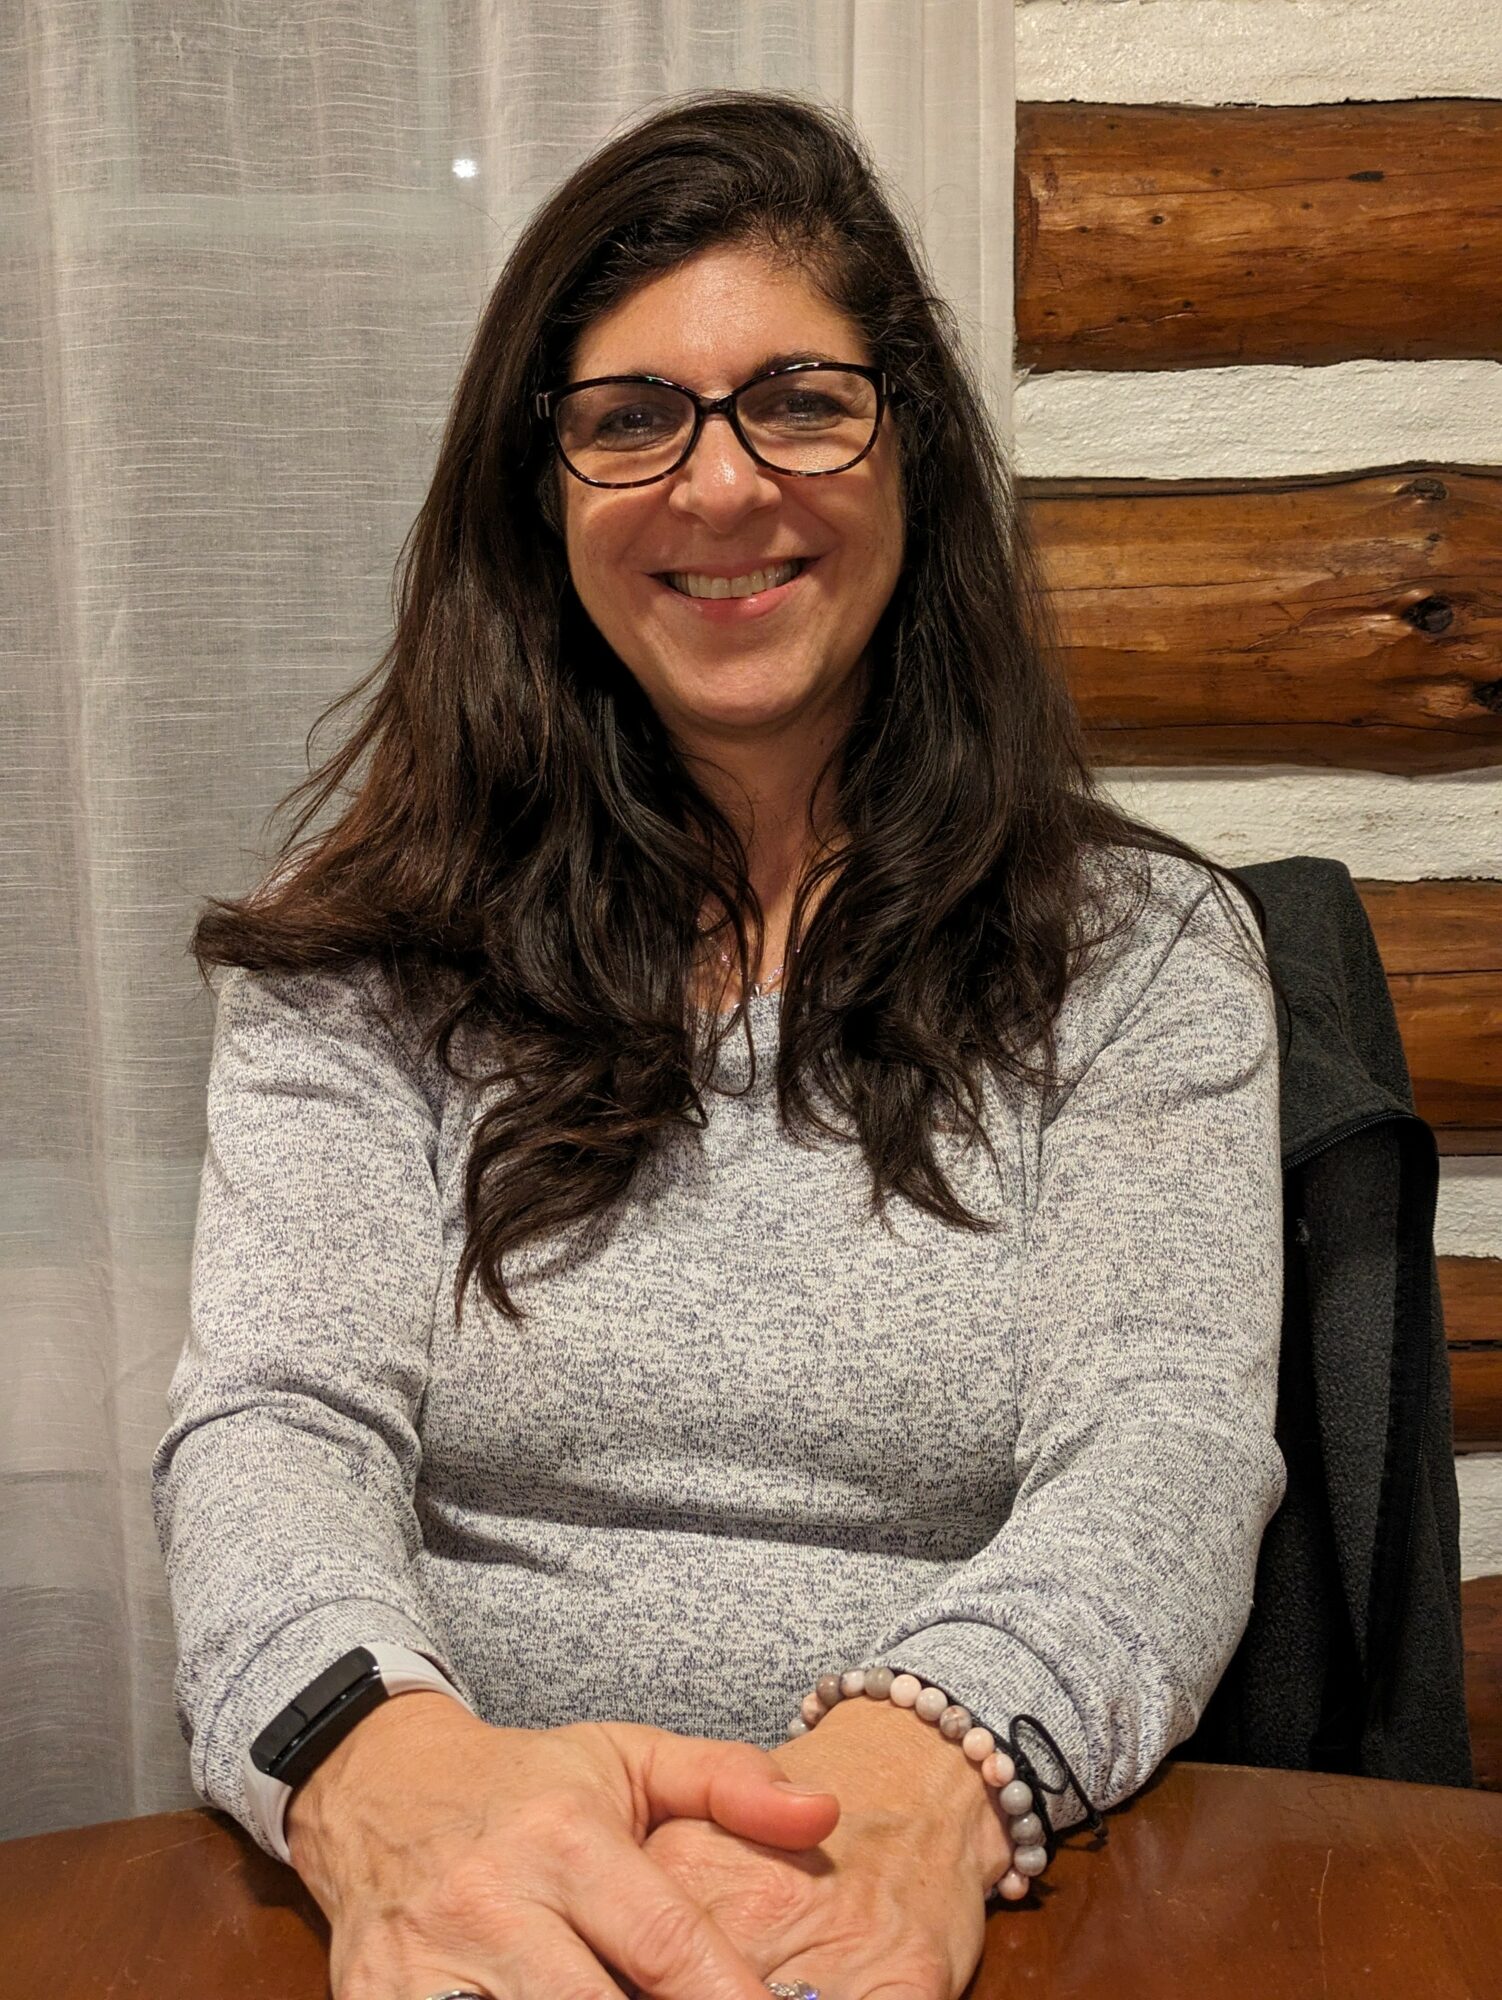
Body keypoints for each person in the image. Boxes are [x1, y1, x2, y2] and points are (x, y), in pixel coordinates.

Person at [151, 87, 1289, 2000]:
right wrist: (390, 1778)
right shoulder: (364, 957)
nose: (721, 486)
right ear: (542, 494)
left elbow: (1158, 1453)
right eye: (628, 421)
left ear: (908, 446)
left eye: (799, 400)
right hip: (463, 1902)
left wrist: (916, 1776)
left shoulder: (1140, 957)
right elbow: (280, 1425)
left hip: (966, 1884)